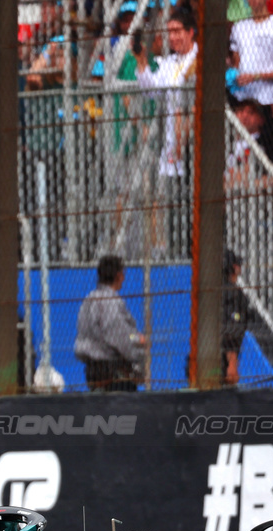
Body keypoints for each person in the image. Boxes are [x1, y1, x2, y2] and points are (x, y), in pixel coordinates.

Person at [134, 6, 198, 259]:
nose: (173, 37)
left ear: (191, 32)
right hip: (171, 141)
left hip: (193, 141)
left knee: (191, 201)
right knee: (172, 204)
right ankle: (176, 254)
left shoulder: (197, 60)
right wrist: (141, 61)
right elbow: (152, 91)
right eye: (169, 32)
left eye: (177, 31)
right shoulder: (169, 62)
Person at [74, 255, 145, 391]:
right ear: (118, 275)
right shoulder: (111, 302)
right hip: (112, 371)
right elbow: (121, 336)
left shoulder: (88, 300)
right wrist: (138, 341)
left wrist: (134, 337)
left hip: (93, 369)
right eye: (123, 274)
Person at [230, 0, 273, 107]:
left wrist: (256, 77)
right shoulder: (238, 28)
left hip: (268, 97)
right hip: (242, 97)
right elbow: (236, 64)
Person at [221, 249, 251, 384]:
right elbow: (231, 331)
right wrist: (232, 363)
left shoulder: (214, 291)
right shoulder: (234, 295)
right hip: (223, 365)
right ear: (234, 268)